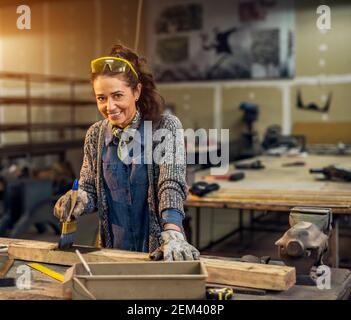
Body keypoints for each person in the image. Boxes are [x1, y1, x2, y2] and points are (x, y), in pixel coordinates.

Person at [54, 43, 200, 261]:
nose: (109, 106)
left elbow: (170, 183)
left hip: (160, 250)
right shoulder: (95, 135)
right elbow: (90, 188)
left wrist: (173, 232)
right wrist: (80, 199)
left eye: (117, 95)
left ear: (136, 91)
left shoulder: (165, 126)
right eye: (101, 98)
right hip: (113, 251)